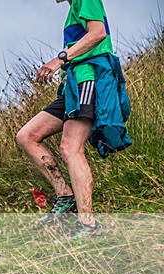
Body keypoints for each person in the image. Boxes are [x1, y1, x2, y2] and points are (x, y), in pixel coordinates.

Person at [16, 0, 130, 240]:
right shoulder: (73, 9)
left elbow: (98, 33)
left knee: (70, 147)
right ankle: (65, 196)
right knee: (27, 136)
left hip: (89, 78)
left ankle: (88, 224)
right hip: (73, 86)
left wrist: (60, 59)